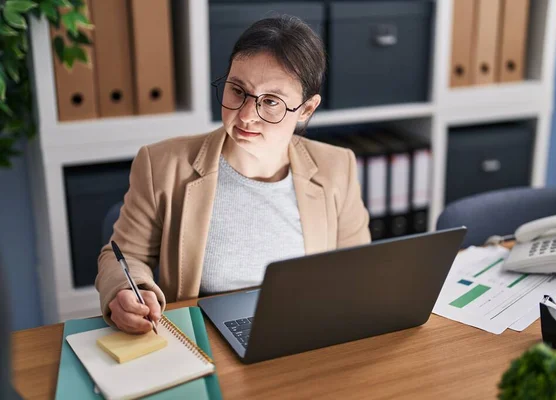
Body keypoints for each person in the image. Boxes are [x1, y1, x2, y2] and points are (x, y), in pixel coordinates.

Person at [95, 15, 371, 334]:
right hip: (204, 335)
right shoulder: (162, 164)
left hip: (303, 332)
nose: (245, 115)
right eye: (237, 90)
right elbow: (123, 255)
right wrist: (126, 291)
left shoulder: (337, 167)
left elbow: (357, 273)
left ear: (306, 110)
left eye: (270, 102)